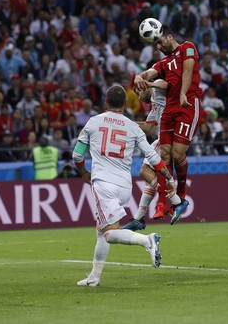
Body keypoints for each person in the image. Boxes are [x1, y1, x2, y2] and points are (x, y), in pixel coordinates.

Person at [72, 85, 176, 287]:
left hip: (104, 183)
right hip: (125, 188)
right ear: (125, 104)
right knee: (101, 230)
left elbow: (77, 154)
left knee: (110, 233)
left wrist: (84, 172)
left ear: (106, 102)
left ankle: (147, 240)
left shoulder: (93, 122)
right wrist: (167, 176)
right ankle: (94, 277)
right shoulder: (132, 126)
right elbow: (153, 156)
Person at [135, 24, 201, 221]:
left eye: (160, 42)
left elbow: (187, 71)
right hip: (170, 110)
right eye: (156, 45)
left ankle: (181, 193)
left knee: (177, 154)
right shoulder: (164, 63)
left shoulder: (187, 47)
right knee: (164, 156)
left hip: (188, 103)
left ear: (170, 36)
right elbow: (150, 73)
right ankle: (164, 202)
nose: (159, 46)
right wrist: (140, 76)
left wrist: (182, 92)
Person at [122, 80, 189, 231]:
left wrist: (149, 83)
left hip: (167, 139)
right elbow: (147, 127)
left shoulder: (159, 91)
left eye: (139, 93)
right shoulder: (154, 106)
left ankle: (177, 202)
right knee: (149, 179)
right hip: (160, 139)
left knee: (145, 172)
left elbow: (167, 84)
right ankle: (139, 218)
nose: (139, 97)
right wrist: (125, 123)